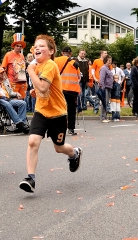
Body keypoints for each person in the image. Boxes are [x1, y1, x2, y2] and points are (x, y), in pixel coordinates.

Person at [19, 35, 82, 193]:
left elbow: (43, 87)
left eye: (42, 46)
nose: (37, 48)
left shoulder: (50, 65)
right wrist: (35, 91)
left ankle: (74, 153)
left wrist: (30, 72)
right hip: (41, 111)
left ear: (51, 51)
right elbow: (41, 89)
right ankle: (30, 178)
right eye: (35, 46)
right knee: (33, 141)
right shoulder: (37, 66)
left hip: (58, 113)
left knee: (59, 148)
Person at [0, 66, 29, 133]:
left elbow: (10, 92)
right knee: (7, 104)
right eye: (0, 73)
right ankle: (19, 123)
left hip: (7, 99)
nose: (2, 74)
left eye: (3, 72)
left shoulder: (5, 81)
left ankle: (22, 124)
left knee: (22, 103)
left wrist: (16, 94)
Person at [55, 46, 81, 135]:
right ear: (70, 54)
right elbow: (79, 77)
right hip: (72, 90)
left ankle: (58, 127)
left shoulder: (56, 60)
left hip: (60, 89)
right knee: (71, 110)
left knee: (60, 108)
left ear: (62, 53)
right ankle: (71, 129)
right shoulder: (74, 62)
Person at [2, 33, 28, 98]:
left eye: (20, 46)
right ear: (14, 46)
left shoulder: (22, 56)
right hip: (12, 82)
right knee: (13, 100)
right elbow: (3, 69)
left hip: (22, 83)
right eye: (17, 46)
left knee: (21, 101)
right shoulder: (8, 54)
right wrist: (7, 80)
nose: (19, 47)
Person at [98, 54, 114, 121]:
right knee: (104, 102)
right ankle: (103, 117)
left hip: (108, 87)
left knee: (106, 102)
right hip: (105, 88)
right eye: (109, 60)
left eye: (111, 60)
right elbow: (101, 79)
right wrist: (103, 87)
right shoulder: (104, 68)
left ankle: (105, 116)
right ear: (105, 61)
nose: (110, 62)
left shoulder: (108, 68)